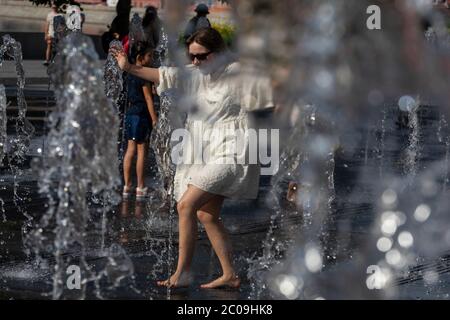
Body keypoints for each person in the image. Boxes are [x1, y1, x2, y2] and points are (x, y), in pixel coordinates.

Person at [113, 28, 274, 289]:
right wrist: (128, 66)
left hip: (232, 150)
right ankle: (230, 275)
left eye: (202, 56)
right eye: (192, 56)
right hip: (205, 151)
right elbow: (163, 74)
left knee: (186, 206)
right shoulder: (196, 73)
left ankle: (183, 273)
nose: (196, 62)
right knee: (206, 215)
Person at [122, 41, 158, 200]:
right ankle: (140, 186)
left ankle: (127, 185)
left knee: (130, 150)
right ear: (140, 57)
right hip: (142, 115)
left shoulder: (129, 72)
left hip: (130, 114)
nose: (152, 58)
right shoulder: (143, 74)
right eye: (149, 55)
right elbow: (149, 99)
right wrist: (155, 119)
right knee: (142, 151)